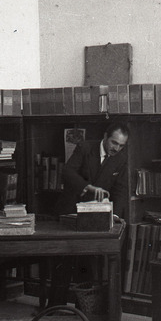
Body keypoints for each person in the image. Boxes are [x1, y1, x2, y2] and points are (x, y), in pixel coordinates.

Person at [47, 121, 130, 307]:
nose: (116, 148)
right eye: (114, 143)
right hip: (70, 213)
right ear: (105, 137)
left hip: (94, 218)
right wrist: (88, 187)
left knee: (87, 264)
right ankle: (54, 309)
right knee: (64, 263)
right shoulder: (85, 147)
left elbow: (121, 191)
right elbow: (67, 172)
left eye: (121, 145)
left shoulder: (121, 159)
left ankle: (83, 312)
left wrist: (114, 216)